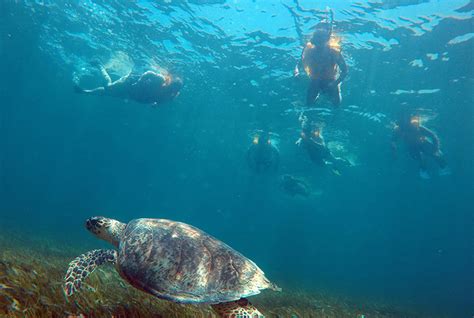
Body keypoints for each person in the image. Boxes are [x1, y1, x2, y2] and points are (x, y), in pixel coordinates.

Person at [74, 61, 183, 105]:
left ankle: (84, 92)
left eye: (173, 90)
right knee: (108, 87)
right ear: (169, 83)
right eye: (171, 87)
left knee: (108, 92)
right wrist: (140, 82)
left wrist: (155, 105)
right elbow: (148, 73)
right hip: (130, 83)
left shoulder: (171, 96)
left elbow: (159, 102)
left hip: (133, 95)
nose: (171, 91)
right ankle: (100, 66)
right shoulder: (161, 80)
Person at [294, 20, 348, 107]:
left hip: (331, 80)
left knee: (337, 105)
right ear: (313, 42)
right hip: (315, 80)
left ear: (327, 41)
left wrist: (335, 83)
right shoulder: (309, 50)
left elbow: (345, 71)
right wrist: (296, 73)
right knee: (308, 104)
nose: (319, 46)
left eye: (321, 43)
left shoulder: (334, 52)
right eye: (317, 43)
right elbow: (299, 64)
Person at [391, 112, 449, 179]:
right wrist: (394, 151)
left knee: (432, 155)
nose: (414, 124)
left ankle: (443, 167)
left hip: (421, 143)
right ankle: (425, 170)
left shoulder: (418, 128)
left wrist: (436, 147)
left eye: (416, 121)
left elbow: (433, 136)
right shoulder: (401, 129)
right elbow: (393, 141)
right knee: (421, 158)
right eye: (413, 122)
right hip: (413, 146)